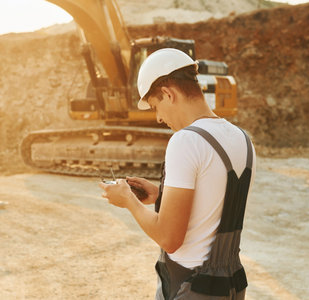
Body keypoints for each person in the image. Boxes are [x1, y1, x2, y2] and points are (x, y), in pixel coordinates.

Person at [99, 48, 256, 300]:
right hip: (231, 286)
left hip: (191, 286)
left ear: (168, 94)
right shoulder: (242, 139)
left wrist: (127, 199)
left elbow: (169, 238)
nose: (159, 118)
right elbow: (214, 202)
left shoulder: (185, 141)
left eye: (154, 106)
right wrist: (161, 194)